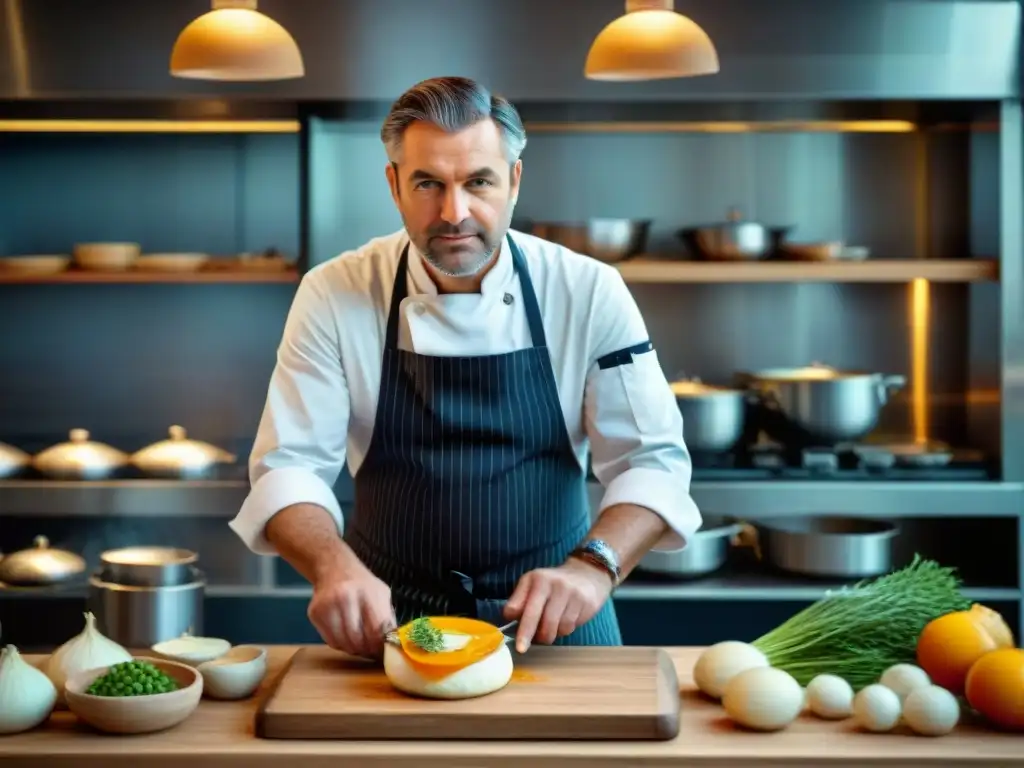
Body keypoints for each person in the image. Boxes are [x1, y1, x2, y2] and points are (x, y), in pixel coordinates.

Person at [229, 76, 701, 658]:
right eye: (429, 183)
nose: (454, 213)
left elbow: (649, 460)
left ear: (514, 181)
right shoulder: (334, 292)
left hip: (557, 619)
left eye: (478, 182)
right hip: (387, 622)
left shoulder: (587, 290)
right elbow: (289, 466)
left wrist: (593, 568)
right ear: (394, 184)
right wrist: (332, 566)